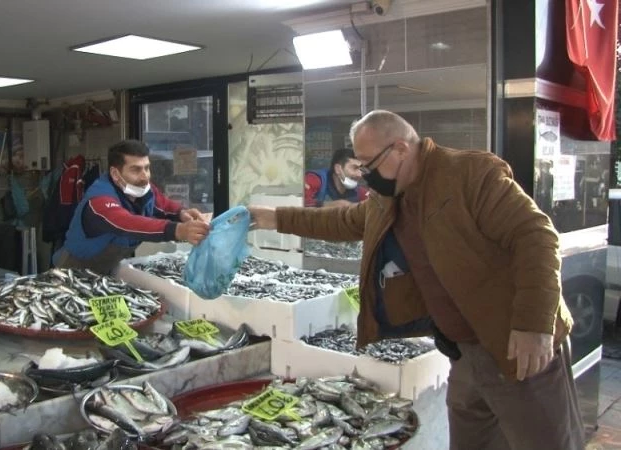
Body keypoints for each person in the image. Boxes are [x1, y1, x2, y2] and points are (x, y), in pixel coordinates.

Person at [248, 110, 582, 450]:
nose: (364, 176)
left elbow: (537, 236)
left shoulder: (470, 174)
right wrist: (271, 218)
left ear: (400, 149)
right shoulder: (388, 197)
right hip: (464, 352)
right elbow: (342, 222)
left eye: (369, 164)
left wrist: (533, 325)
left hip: (515, 346)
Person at [53, 139, 210, 275]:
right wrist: (179, 230)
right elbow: (128, 223)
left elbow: (163, 204)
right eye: (136, 170)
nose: (145, 176)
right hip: (72, 271)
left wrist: (181, 213)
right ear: (115, 174)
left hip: (108, 271)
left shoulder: (144, 188)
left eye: (147, 168)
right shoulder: (99, 200)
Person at [304, 147, 369, 207]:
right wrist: (327, 205)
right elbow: (300, 201)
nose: (359, 175)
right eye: (354, 168)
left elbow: (373, 202)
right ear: (338, 169)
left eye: (360, 170)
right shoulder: (314, 179)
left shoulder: (358, 191)